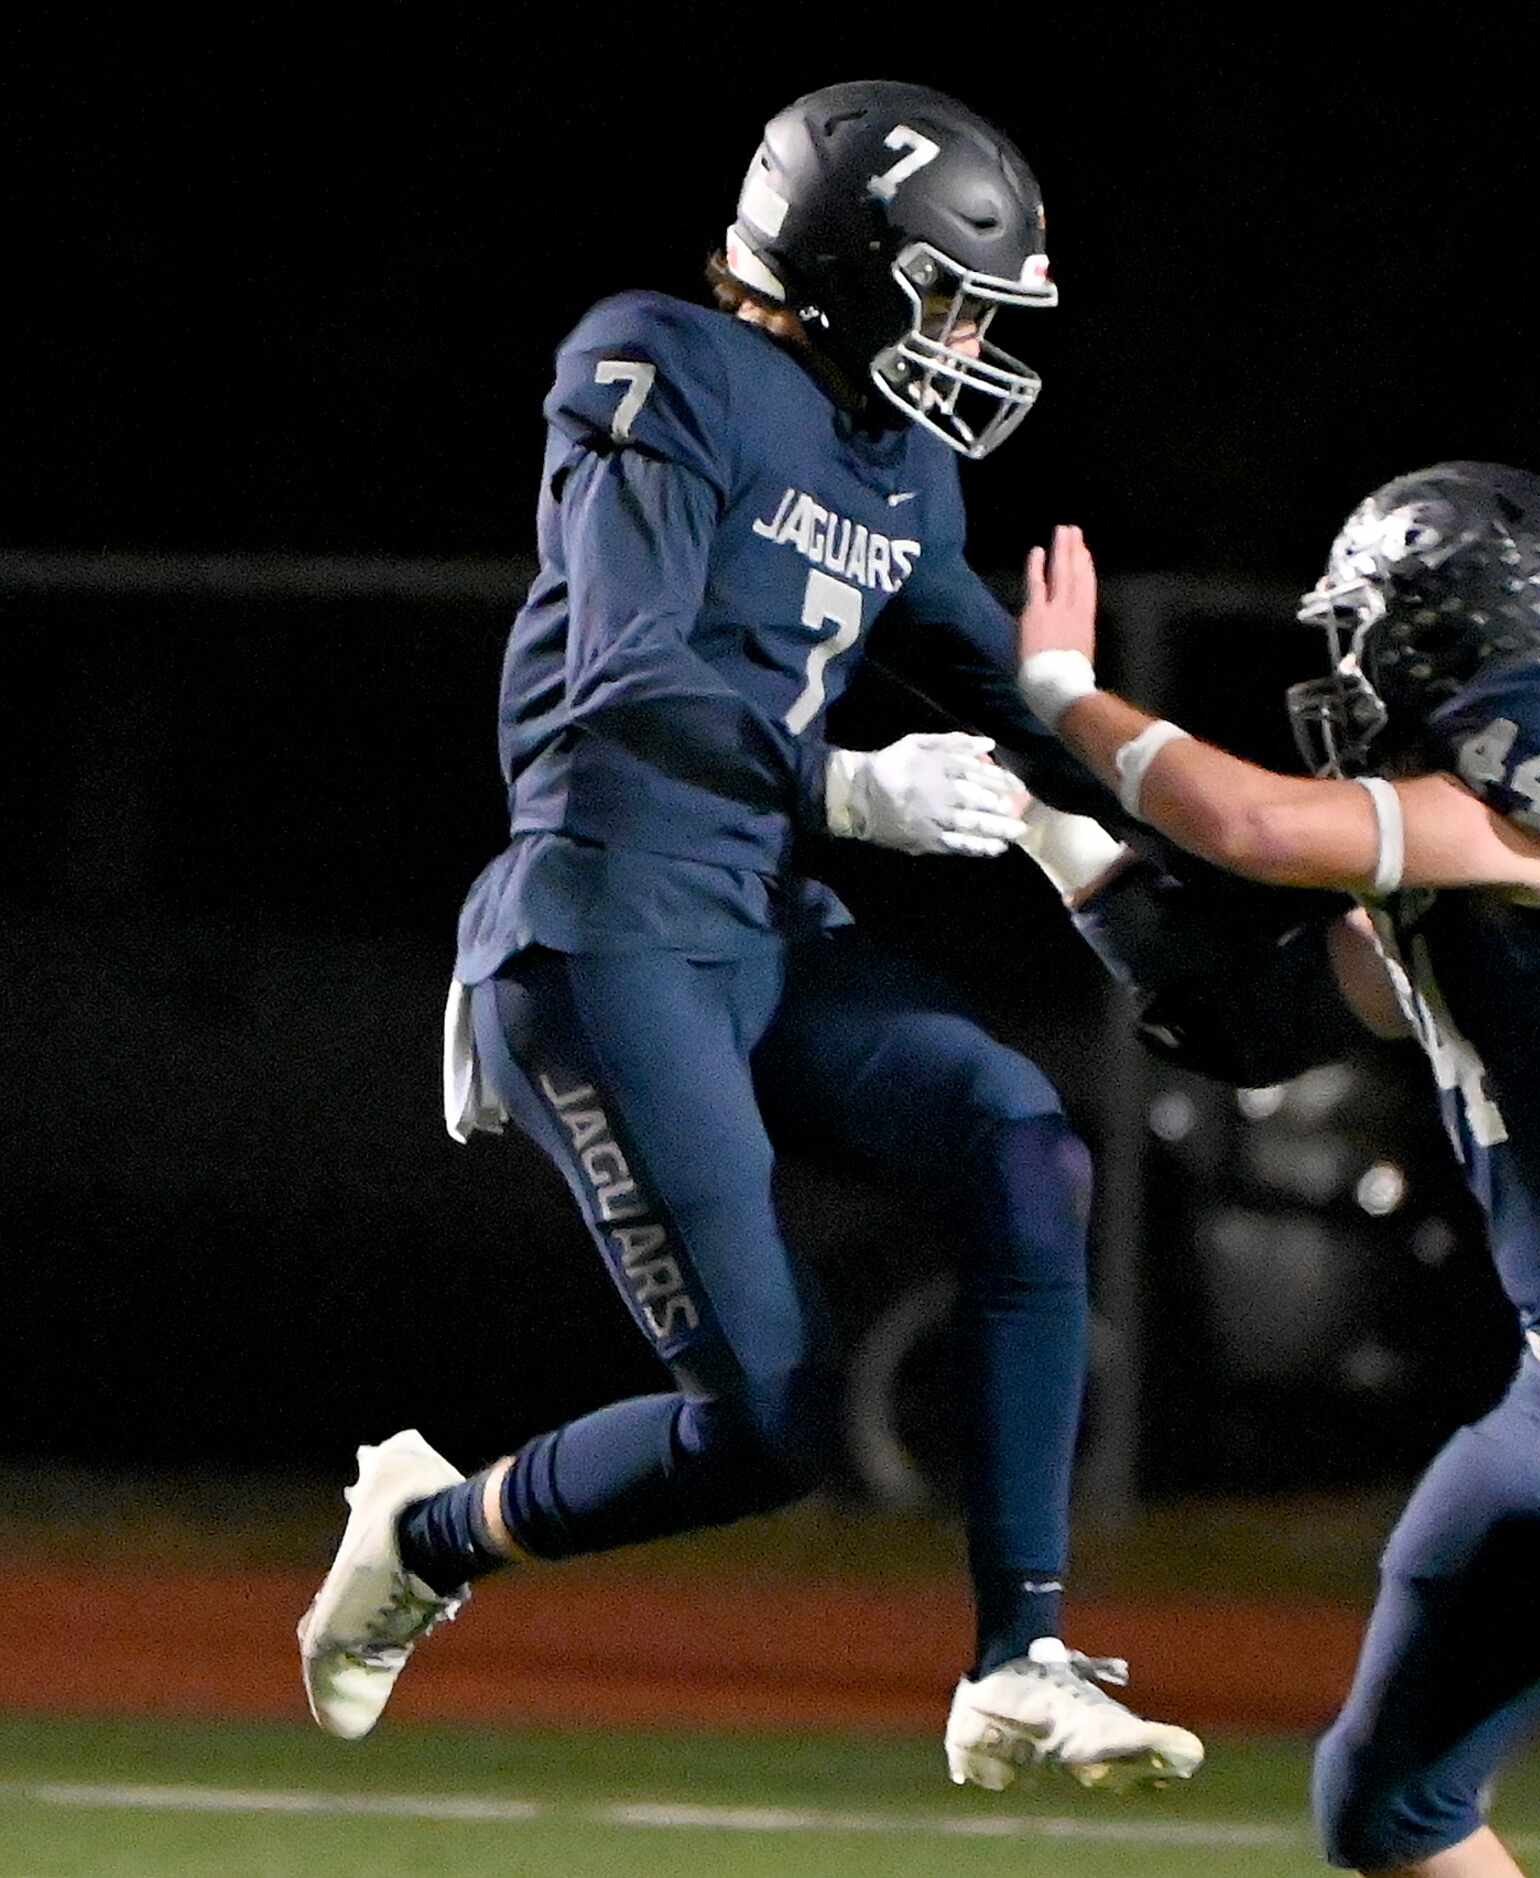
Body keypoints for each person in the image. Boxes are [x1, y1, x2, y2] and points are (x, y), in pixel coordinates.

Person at [296, 80, 1202, 1795]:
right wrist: (848, 789)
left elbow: (984, 666)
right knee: (771, 1427)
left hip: (764, 919)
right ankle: (427, 1534)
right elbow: (623, 671)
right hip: (612, 915)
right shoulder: (663, 360)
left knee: (1022, 1140)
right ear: (847, 263)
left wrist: (1134, 800)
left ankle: (1018, 1652)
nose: (966, 340)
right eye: (943, 291)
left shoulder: (896, 455)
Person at [1012, 465, 1540, 1878]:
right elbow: (1249, 1016)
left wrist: (1064, 692)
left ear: (1453, 622)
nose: (1345, 660)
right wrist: (1047, 830)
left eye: (1369, 623)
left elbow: (1262, 828)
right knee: (1386, 1800)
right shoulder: (1468, 852)